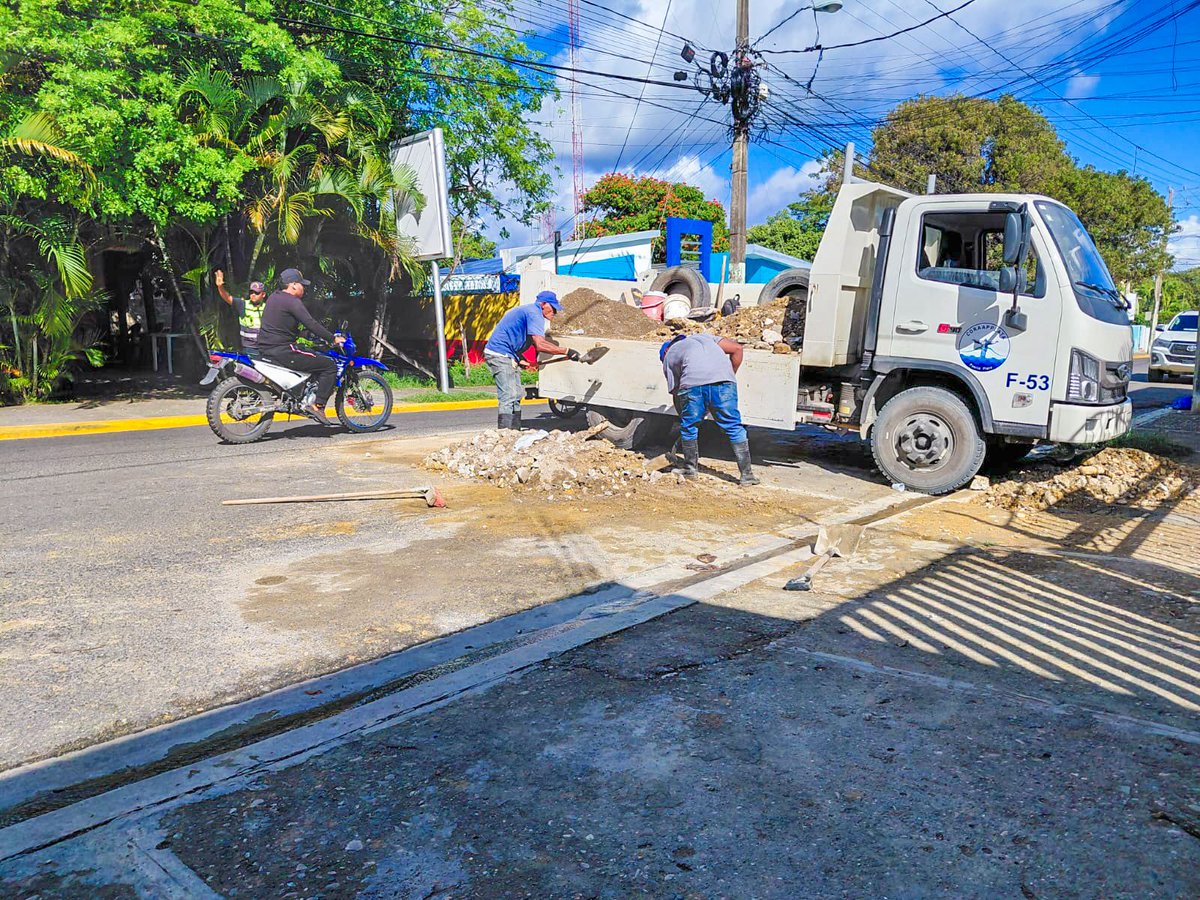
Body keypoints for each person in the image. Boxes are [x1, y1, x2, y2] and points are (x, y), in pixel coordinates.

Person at [661, 332, 759, 486]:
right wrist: (727, 377)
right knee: (734, 427)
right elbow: (737, 349)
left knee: (689, 428)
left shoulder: (669, 355)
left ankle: (690, 470)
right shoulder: (706, 337)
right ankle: (747, 475)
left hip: (693, 386)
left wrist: (685, 418)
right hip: (725, 383)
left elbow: (676, 392)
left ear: (665, 352)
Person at [256, 267, 344, 424]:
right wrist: (333, 338)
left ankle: (300, 394)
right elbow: (311, 323)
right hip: (283, 351)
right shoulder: (292, 301)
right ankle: (318, 406)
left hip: (266, 348)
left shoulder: (273, 298)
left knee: (308, 352)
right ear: (293, 285)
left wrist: (304, 336)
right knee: (329, 365)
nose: (304, 288)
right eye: (302, 284)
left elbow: (282, 326)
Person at [484, 291, 579, 430]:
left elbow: (520, 338)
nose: (555, 313)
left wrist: (521, 359)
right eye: (553, 308)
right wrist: (567, 351)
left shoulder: (528, 311)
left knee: (516, 394)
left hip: (509, 353)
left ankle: (514, 431)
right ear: (543, 304)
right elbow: (540, 344)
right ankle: (504, 432)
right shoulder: (534, 314)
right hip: (499, 354)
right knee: (509, 395)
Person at [214, 269, 267, 354]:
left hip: (265, 347)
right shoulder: (243, 304)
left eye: (256, 293)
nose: (253, 295)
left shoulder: (267, 307)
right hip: (249, 348)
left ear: (263, 295)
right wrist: (220, 287)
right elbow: (228, 298)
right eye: (251, 292)